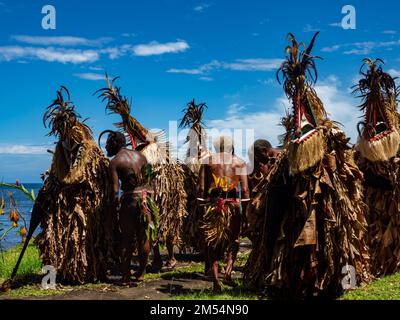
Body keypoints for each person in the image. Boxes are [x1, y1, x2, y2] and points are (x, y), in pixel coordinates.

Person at [197, 136, 250, 292]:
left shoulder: (208, 161)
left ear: (216, 147)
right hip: (233, 206)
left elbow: (201, 189)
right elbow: (245, 190)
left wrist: (200, 209)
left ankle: (215, 281)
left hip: (213, 206)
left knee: (212, 242)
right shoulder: (239, 162)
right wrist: (246, 213)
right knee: (234, 239)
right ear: (231, 147)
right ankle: (227, 273)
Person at [105, 130, 155, 284]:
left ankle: (126, 275)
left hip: (130, 200)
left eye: (108, 144)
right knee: (144, 236)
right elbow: (150, 181)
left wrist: (113, 211)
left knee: (126, 238)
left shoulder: (115, 162)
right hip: (147, 199)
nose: (106, 147)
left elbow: (114, 191)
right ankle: (141, 273)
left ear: (114, 144)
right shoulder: (141, 156)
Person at [244, 139, 282, 240]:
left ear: (264, 151)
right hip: (265, 205)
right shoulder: (252, 166)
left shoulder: (280, 159)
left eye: (257, 156)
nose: (258, 160)